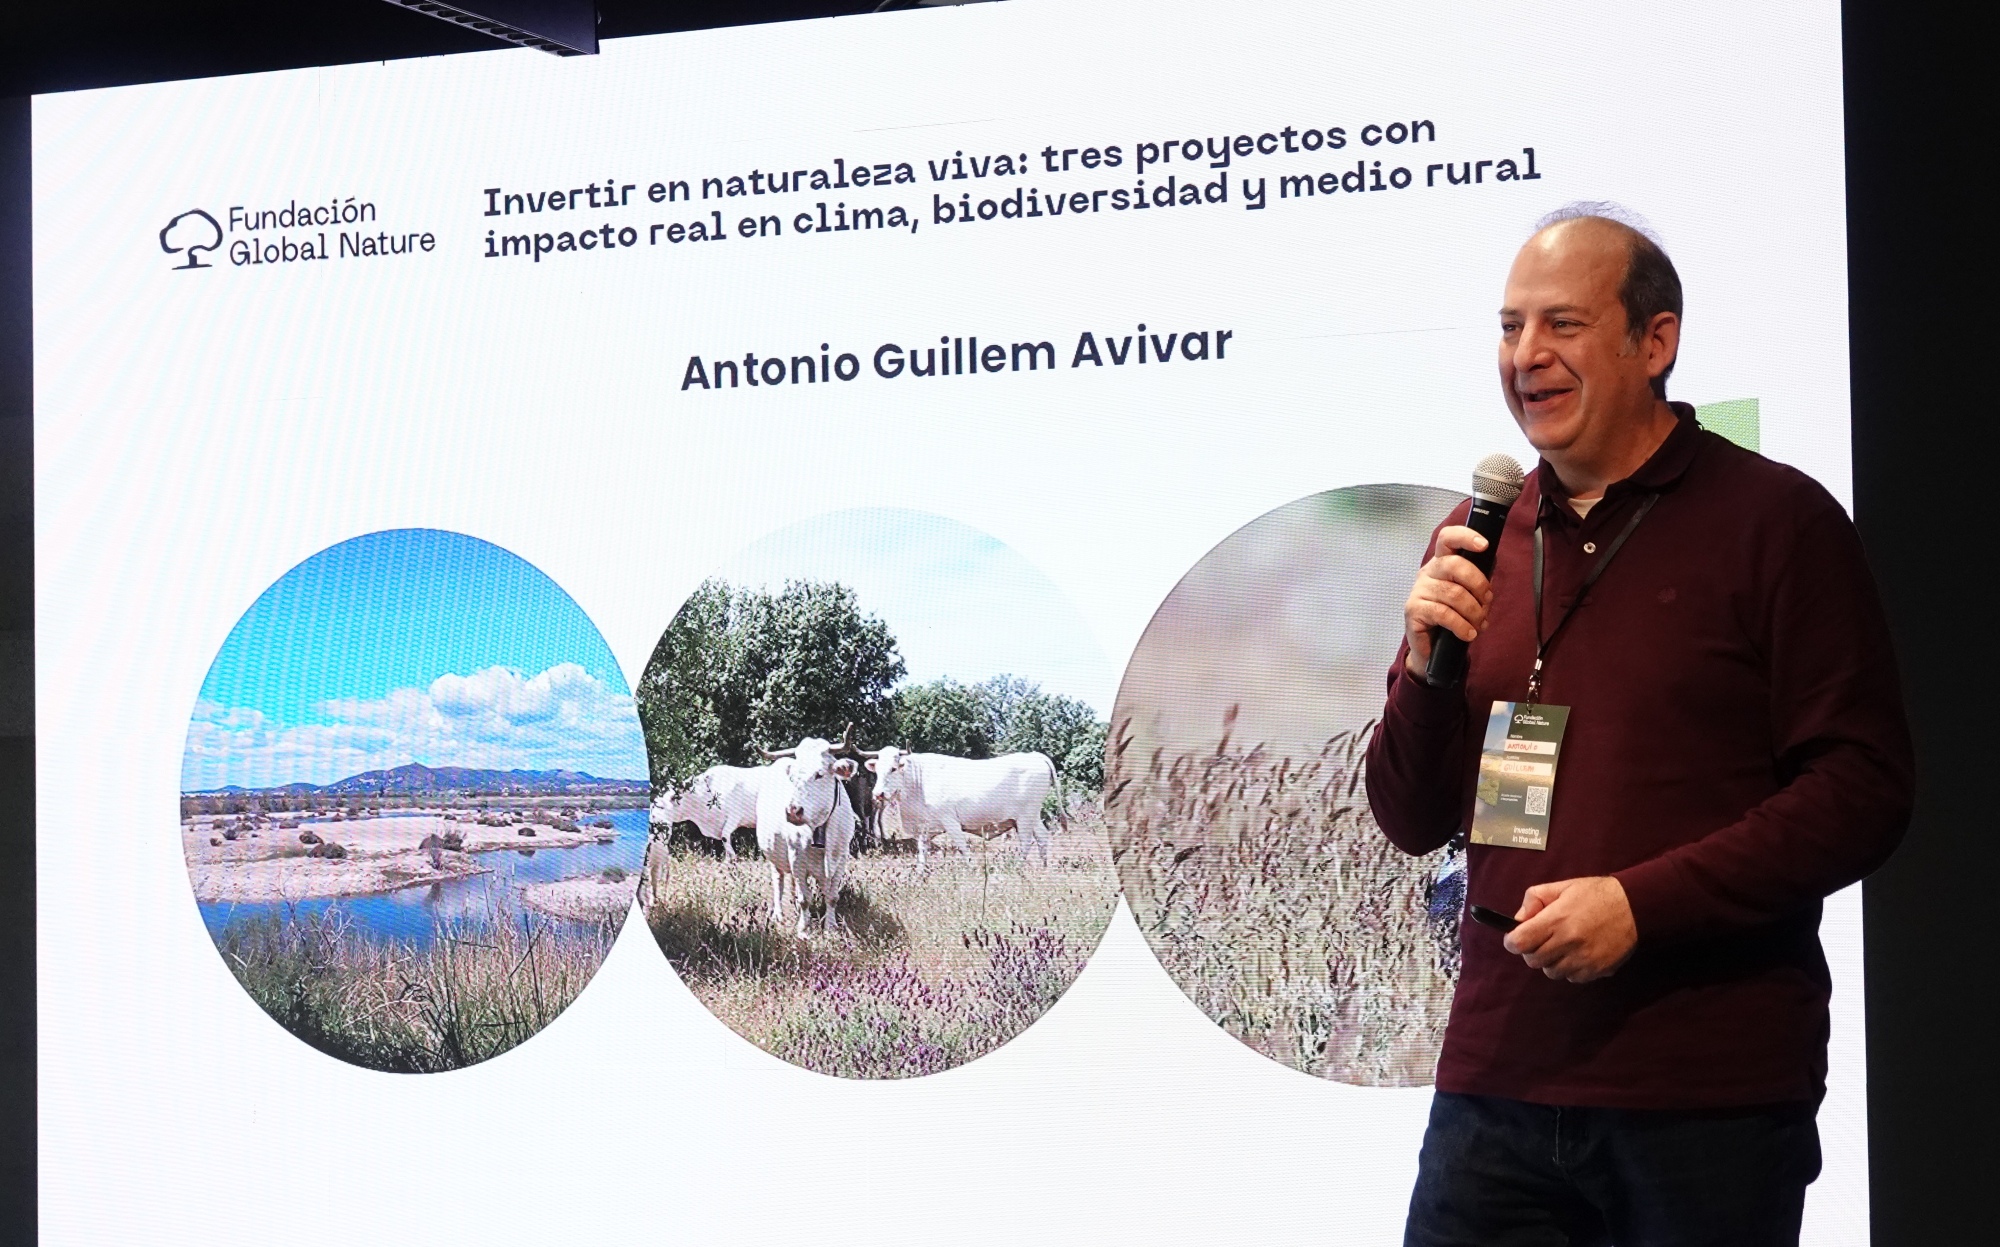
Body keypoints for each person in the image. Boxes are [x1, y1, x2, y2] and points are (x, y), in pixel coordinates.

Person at [1364, 204, 1914, 1246]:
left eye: (1561, 325)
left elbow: (1862, 788)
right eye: (1508, 324)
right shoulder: (1475, 538)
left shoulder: (1771, 523)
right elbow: (1406, 814)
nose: (1525, 355)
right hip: (1496, 1086)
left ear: (1652, 341)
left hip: (1700, 1095)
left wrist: (1639, 904)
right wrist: (1426, 671)